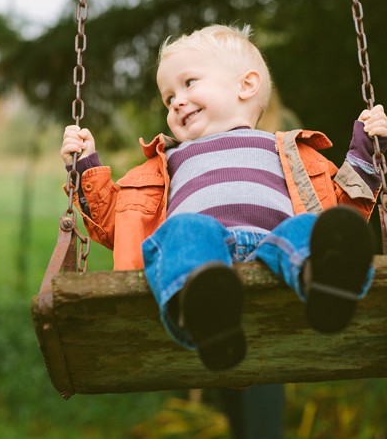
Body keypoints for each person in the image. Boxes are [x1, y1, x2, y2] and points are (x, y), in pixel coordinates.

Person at [60, 24, 387, 371]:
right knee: (183, 229)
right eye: (168, 98)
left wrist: (368, 150)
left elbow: (341, 203)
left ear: (246, 85)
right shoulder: (166, 163)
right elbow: (119, 219)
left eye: (189, 83)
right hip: (205, 257)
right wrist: (86, 167)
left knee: (311, 227)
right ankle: (205, 314)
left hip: (276, 248)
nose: (177, 102)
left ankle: (325, 283)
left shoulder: (289, 150)